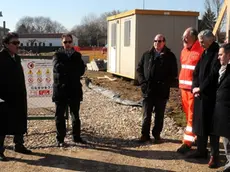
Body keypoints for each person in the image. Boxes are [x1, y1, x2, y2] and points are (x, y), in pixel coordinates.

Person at [188, 30, 221, 168]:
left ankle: (214, 155)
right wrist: (195, 86)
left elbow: (213, 74)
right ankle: (201, 150)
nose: (200, 42)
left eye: (202, 40)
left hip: (211, 96)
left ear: (211, 39)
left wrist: (201, 88)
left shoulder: (216, 52)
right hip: (200, 95)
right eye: (200, 40)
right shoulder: (205, 52)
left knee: (212, 127)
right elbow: (196, 71)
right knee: (200, 124)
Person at [136, 34, 178, 143]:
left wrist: (165, 84)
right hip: (148, 90)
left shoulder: (170, 56)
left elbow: (173, 74)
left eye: (159, 41)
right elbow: (139, 69)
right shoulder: (147, 55)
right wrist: (142, 83)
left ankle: (157, 135)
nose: (157, 43)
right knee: (146, 115)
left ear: (164, 42)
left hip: (161, 91)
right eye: (155, 40)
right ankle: (144, 135)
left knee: (159, 115)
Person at [0, 32, 32, 161]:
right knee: (2, 124)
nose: (17, 45)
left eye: (18, 43)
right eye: (14, 43)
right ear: (6, 44)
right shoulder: (0, 57)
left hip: (18, 96)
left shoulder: (17, 58)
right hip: (4, 97)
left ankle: (19, 145)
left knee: (19, 120)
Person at [52, 33, 86, 147]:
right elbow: (57, 68)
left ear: (73, 42)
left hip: (74, 90)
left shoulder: (77, 55)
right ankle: (60, 139)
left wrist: (68, 69)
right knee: (59, 115)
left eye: (69, 42)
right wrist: (72, 69)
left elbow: (81, 70)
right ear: (62, 43)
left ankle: (77, 137)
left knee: (75, 115)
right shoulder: (57, 55)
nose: (67, 44)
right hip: (61, 90)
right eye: (65, 42)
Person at [177, 27, 204, 154]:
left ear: (193, 37)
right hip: (184, 89)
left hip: (193, 90)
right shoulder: (184, 50)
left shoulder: (200, 50)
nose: (183, 39)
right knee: (188, 115)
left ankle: (187, 143)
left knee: (192, 117)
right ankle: (196, 136)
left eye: (186, 36)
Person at [208, 43, 230, 172]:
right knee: (224, 137)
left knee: (228, 137)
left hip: (227, 108)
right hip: (220, 108)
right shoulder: (220, 68)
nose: (218, 57)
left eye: (221, 55)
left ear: (228, 55)